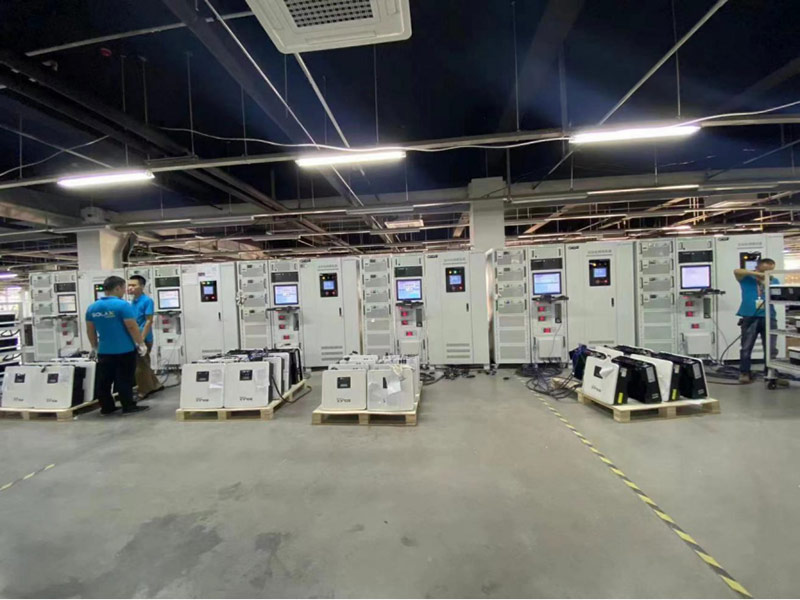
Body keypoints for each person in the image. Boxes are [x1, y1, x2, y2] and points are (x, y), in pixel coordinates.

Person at [85, 275, 150, 415]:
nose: (125, 291)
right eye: (124, 288)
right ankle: (128, 406)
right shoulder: (123, 305)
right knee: (124, 379)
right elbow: (132, 327)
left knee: (104, 381)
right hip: (124, 349)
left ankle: (107, 407)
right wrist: (141, 343)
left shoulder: (92, 307)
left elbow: (90, 330)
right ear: (118, 288)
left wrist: (94, 346)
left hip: (104, 351)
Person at [733, 258, 785, 385]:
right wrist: (757, 275)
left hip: (769, 317)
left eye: (771, 270)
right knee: (746, 346)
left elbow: (778, 295)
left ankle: (771, 374)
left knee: (771, 348)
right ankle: (745, 372)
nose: (768, 272)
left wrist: (766, 280)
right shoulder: (746, 279)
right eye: (766, 269)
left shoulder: (773, 280)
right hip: (750, 316)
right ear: (758, 267)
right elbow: (737, 271)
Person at [127, 275, 164, 399]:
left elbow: (149, 321)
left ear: (142, 286)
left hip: (144, 337)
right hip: (135, 336)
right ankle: (156, 384)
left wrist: (141, 339)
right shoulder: (132, 301)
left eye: (133, 285)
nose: (130, 288)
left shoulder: (147, 301)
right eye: (129, 285)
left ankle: (143, 390)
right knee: (144, 362)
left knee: (140, 366)